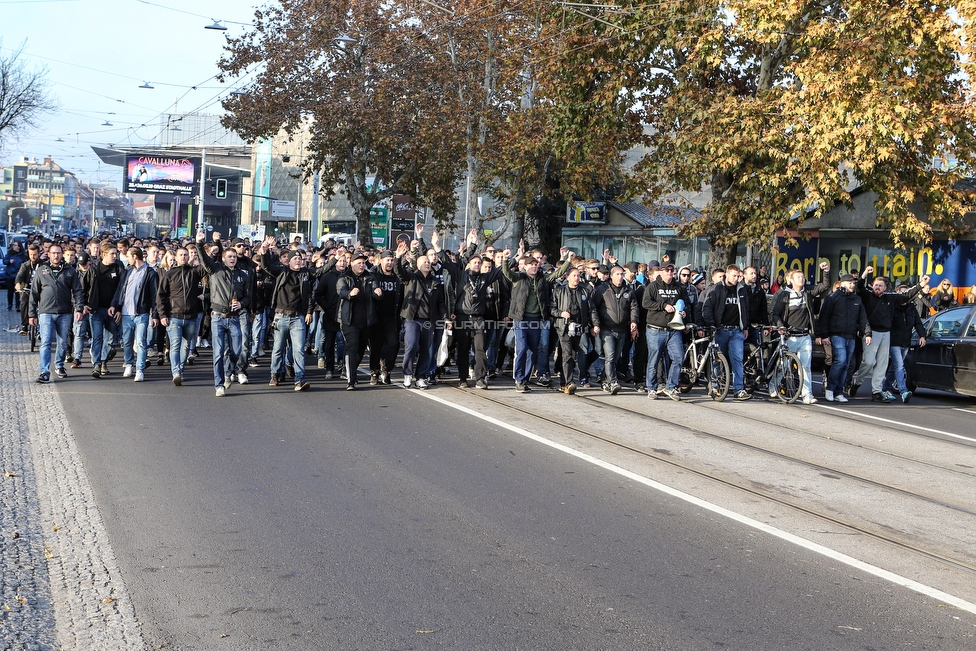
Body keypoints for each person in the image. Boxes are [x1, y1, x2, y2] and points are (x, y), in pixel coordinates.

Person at [849, 266, 928, 402]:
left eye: (880, 285)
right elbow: (860, 286)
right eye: (875, 285)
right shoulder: (868, 294)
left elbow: (907, 294)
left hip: (886, 333)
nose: (877, 287)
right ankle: (857, 382)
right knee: (868, 362)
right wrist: (865, 274)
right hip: (871, 333)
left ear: (885, 288)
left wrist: (920, 284)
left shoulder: (891, 298)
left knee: (882, 364)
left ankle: (877, 391)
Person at [501, 244, 572, 393]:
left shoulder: (542, 279)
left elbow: (556, 274)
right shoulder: (519, 277)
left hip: (536, 320)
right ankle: (519, 379)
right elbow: (507, 273)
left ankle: (525, 379)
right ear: (525, 266)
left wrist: (567, 261)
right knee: (521, 348)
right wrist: (505, 259)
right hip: (520, 318)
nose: (534, 267)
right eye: (531, 265)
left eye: (535, 264)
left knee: (533, 350)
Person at [193, 231, 252, 397]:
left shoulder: (242, 275)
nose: (233, 259)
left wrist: (242, 303)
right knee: (218, 353)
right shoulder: (215, 270)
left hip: (234, 318)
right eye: (229, 256)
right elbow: (204, 259)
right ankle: (219, 385)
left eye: (234, 256)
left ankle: (229, 372)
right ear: (224, 258)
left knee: (237, 351)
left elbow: (248, 297)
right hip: (218, 317)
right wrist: (199, 243)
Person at [770, 264, 831, 405]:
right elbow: (775, 313)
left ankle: (806, 395)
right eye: (798, 277)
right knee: (783, 365)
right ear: (790, 280)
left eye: (803, 277)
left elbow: (825, 285)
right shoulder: (784, 295)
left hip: (804, 336)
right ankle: (774, 385)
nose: (801, 279)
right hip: (789, 336)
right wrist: (780, 326)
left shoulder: (807, 292)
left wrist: (825, 271)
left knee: (806, 367)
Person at [394, 238, 448, 389]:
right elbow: (399, 272)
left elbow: (441, 303)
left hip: (428, 321)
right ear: (417, 264)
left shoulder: (435, 282)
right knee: (411, 346)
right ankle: (407, 374)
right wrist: (398, 257)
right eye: (424, 261)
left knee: (425, 349)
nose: (427, 263)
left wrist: (445, 317)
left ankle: (421, 377)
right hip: (412, 319)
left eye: (428, 262)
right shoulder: (411, 277)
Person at [28, 244, 84, 384]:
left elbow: (77, 291)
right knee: (45, 342)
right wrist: (32, 314)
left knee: (63, 342)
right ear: (49, 254)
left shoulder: (70, 271)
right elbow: (34, 293)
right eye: (53, 253)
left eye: (58, 253)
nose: (56, 256)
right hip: (46, 312)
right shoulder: (42, 271)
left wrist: (79, 308)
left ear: (62, 255)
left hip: (65, 312)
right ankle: (44, 372)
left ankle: (59, 365)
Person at [263, 248, 314, 391]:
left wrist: (335, 258)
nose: (298, 261)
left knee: (299, 350)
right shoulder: (282, 272)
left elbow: (311, 292)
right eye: (295, 259)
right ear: (289, 261)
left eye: (300, 259)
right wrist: (264, 252)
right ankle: (275, 374)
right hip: (281, 316)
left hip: (298, 318)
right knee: (278, 349)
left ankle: (300, 379)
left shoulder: (305, 275)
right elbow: (266, 266)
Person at [815, 274, 870, 403]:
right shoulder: (833, 298)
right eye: (850, 283)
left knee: (846, 365)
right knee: (840, 361)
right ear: (842, 283)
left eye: (853, 283)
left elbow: (863, 318)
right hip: (837, 334)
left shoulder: (856, 299)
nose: (852, 285)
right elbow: (824, 317)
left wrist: (867, 333)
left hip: (850, 335)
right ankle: (830, 389)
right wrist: (824, 335)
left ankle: (839, 392)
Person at [156, 246, 207, 386]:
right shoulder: (169, 274)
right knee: (175, 346)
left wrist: (202, 246)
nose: (183, 257)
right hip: (174, 316)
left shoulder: (195, 272)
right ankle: (176, 372)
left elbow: (208, 265)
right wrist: (162, 315)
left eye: (186, 254)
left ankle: (181, 369)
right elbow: (161, 296)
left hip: (191, 317)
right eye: (181, 255)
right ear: (176, 258)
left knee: (185, 347)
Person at [701, 264, 752, 400]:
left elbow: (746, 309)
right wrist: (711, 324)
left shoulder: (741, 290)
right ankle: (715, 386)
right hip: (720, 329)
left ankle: (739, 389)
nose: (736, 279)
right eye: (734, 276)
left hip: (736, 330)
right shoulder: (716, 289)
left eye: (738, 276)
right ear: (727, 275)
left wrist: (745, 326)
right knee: (717, 360)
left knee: (737, 359)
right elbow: (707, 308)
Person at [109, 246, 159, 382]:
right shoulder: (127, 271)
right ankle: (129, 364)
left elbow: (155, 296)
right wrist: (116, 307)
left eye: (129, 256)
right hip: (126, 313)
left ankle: (140, 369)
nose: (127, 259)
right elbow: (120, 290)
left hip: (141, 313)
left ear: (135, 256)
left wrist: (155, 315)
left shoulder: (150, 273)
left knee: (141, 342)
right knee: (127, 341)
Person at [590, 265, 639, 395]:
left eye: (622, 274)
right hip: (607, 328)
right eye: (617, 274)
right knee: (610, 356)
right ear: (611, 276)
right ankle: (612, 381)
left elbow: (634, 307)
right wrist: (595, 323)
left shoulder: (628, 291)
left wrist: (634, 321)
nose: (620, 277)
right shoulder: (602, 289)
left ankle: (606, 379)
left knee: (616, 357)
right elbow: (593, 306)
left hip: (622, 329)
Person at [643, 264, 689, 401]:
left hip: (674, 329)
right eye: (667, 270)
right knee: (654, 359)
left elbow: (685, 302)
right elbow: (645, 303)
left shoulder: (679, 287)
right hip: (655, 329)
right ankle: (651, 388)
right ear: (661, 272)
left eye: (672, 270)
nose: (670, 273)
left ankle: (670, 387)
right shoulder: (652, 287)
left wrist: (684, 313)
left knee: (679, 357)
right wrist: (663, 306)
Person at [337, 251, 382, 390]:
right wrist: (350, 294)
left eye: (363, 263)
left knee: (361, 350)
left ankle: (350, 369)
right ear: (352, 264)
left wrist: (378, 293)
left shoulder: (370, 277)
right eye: (359, 263)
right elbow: (341, 291)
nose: (362, 265)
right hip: (349, 320)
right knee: (352, 346)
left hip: (366, 321)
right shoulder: (345, 278)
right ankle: (350, 381)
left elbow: (376, 291)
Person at [551, 267, 592, 394]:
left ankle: (564, 383)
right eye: (574, 275)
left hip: (579, 327)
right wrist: (561, 313)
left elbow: (591, 309)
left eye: (578, 275)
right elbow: (551, 308)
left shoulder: (585, 291)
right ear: (567, 277)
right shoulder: (559, 291)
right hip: (564, 328)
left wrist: (595, 324)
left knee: (571, 356)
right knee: (567, 354)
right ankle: (569, 382)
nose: (577, 278)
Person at [884, 285, 927, 403]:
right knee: (899, 365)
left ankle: (885, 388)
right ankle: (903, 391)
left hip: (906, 341)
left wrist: (922, 336)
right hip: (894, 341)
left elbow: (918, 323)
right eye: (901, 294)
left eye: (906, 294)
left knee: (895, 366)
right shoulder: (893, 308)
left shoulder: (911, 308)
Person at [89, 241, 125, 377]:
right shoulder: (95, 268)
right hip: (97, 309)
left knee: (110, 339)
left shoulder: (118, 268)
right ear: (104, 254)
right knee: (97, 337)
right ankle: (97, 365)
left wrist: (117, 308)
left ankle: (104, 361)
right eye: (112, 254)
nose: (115, 256)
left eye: (116, 253)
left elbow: (121, 290)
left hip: (112, 309)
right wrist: (86, 305)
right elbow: (86, 287)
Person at [368, 250, 403, 385]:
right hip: (376, 316)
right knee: (375, 347)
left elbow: (404, 270)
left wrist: (400, 257)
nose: (389, 263)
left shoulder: (397, 276)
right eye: (387, 260)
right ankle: (374, 372)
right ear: (381, 261)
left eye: (391, 260)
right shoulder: (373, 274)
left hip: (392, 317)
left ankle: (387, 370)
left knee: (393, 344)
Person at [14, 244, 42, 335]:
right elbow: (19, 276)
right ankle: (24, 326)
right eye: (31, 254)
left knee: (43, 306)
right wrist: (18, 284)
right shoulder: (25, 265)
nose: (33, 257)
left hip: (41, 289)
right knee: (24, 303)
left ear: (38, 254)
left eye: (35, 254)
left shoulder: (44, 265)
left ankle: (40, 327)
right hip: (27, 288)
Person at [5, 241, 27, 311]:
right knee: (10, 292)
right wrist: (8, 261)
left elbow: (25, 264)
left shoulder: (23, 255)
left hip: (18, 275)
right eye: (13, 245)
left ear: (19, 247)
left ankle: (17, 305)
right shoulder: (9, 253)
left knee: (18, 292)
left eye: (15, 245)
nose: (14, 246)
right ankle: (9, 305)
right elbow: (4, 261)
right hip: (9, 275)